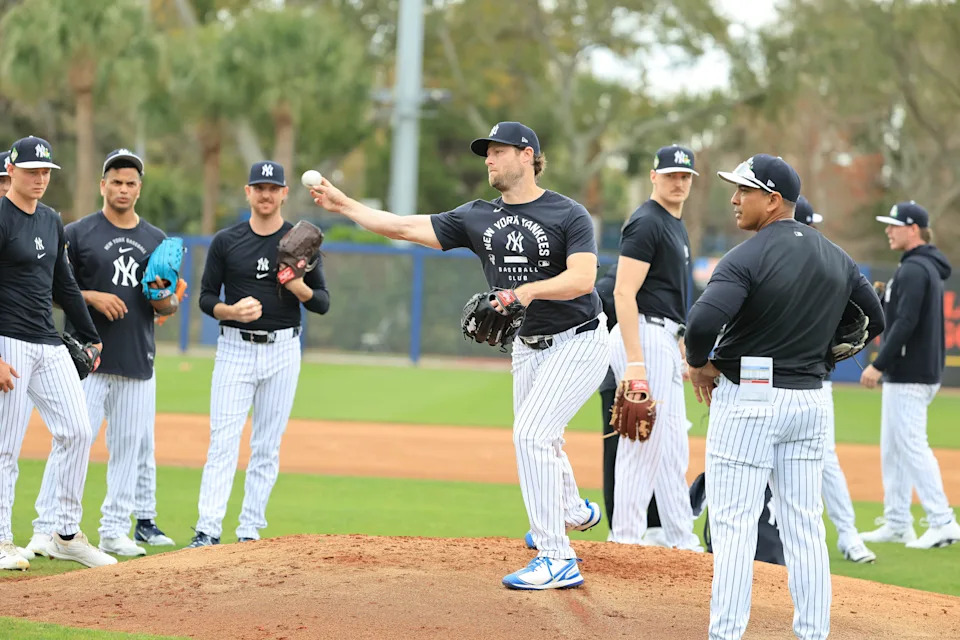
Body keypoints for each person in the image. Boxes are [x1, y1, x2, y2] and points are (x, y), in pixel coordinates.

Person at [309, 121, 609, 590]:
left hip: (581, 338)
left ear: (527, 155)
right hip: (528, 346)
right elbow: (404, 227)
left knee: (530, 435)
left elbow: (583, 279)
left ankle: (557, 556)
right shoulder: (477, 215)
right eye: (485, 152)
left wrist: (523, 293)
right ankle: (570, 509)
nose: (488, 159)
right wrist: (343, 203)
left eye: (498, 151)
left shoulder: (567, 213)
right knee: (543, 437)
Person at [684, 154, 884, 639]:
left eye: (743, 191)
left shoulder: (745, 258)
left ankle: (727, 633)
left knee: (733, 525)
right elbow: (873, 318)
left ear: (772, 199)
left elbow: (702, 324)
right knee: (805, 525)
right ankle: (813, 632)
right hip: (810, 399)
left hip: (750, 400)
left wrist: (698, 364)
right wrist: (826, 352)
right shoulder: (836, 256)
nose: (734, 199)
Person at [27, 150, 177, 560]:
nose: (123, 189)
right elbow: (52, 289)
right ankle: (46, 529)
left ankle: (114, 529)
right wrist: (90, 296)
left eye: (130, 182)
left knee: (128, 449)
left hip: (136, 356)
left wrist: (164, 297)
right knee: (70, 442)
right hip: (85, 358)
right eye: (116, 181)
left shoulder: (157, 240)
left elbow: (167, 306)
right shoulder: (75, 233)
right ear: (102, 185)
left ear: (139, 188)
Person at [189, 161, 330, 548]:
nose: (266, 194)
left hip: (283, 349)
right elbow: (204, 298)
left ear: (284, 193)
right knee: (223, 442)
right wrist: (231, 312)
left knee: (267, 445)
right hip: (235, 347)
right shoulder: (226, 241)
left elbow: (321, 303)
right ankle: (208, 530)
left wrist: (298, 286)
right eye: (259, 187)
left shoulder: (301, 241)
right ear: (247, 192)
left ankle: (249, 530)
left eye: (273, 188)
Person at [0, 136, 116, 570]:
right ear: (11, 171)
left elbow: (63, 282)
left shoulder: (50, 219)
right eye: (31, 170)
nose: (40, 178)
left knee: (77, 431)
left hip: (47, 342)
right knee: (5, 446)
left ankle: (64, 533)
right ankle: (1, 540)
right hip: (7, 340)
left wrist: (90, 335)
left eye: (46, 171)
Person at [609, 144, 700, 550]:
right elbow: (623, 293)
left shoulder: (673, 224)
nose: (678, 183)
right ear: (653, 177)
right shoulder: (647, 222)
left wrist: (679, 346)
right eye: (670, 176)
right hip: (643, 335)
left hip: (663, 336)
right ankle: (625, 541)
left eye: (685, 177)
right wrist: (635, 363)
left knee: (672, 447)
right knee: (641, 444)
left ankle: (681, 539)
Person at [859, 201, 959, 549]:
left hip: (910, 374)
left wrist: (879, 363)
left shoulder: (916, 269)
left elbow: (905, 323)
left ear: (913, 228)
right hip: (916, 373)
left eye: (894, 225)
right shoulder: (919, 267)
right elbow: (901, 314)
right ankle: (898, 521)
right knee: (895, 449)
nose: (888, 230)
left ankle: (942, 520)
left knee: (912, 446)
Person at [793, 197, 876, 564]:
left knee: (825, 460)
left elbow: (871, 317)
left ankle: (849, 535)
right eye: (809, 224)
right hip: (769, 382)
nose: (813, 232)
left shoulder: (829, 265)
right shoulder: (766, 263)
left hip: (816, 381)